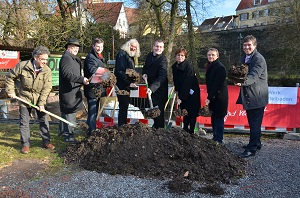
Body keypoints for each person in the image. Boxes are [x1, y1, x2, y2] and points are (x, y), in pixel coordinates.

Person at [6, 46, 54, 154]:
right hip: (24, 98)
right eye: (43, 59)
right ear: (36, 57)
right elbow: (10, 77)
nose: (45, 62)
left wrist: (41, 103)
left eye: (46, 59)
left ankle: (46, 142)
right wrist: (10, 90)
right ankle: (25, 144)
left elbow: (47, 88)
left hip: (39, 99)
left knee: (44, 121)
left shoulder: (47, 71)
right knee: (24, 122)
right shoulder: (23, 66)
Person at [236, 35, 268, 158]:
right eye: (245, 45)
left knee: (254, 123)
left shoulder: (259, 59)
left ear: (254, 45)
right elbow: (241, 72)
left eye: (249, 45)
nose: (247, 47)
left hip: (257, 96)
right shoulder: (244, 58)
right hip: (249, 95)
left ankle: (252, 148)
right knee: (253, 122)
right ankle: (257, 143)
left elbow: (253, 76)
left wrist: (241, 82)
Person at [59, 38, 89, 142]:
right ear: (68, 47)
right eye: (73, 47)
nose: (76, 49)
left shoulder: (71, 58)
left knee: (66, 112)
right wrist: (81, 79)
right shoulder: (67, 58)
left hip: (72, 90)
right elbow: (66, 74)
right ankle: (69, 136)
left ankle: (63, 132)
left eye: (77, 47)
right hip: (69, 91)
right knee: (69, 112)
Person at [172, 48, 200, 134]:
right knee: (184, 111)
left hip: (192, 92)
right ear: (175, 56)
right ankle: (185, 130)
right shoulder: (174, 67)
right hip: (182, 92)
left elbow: (187, 83)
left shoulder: (189, 67)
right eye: (178, 55)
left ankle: (191, 131)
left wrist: (182, 97)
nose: (180, 57)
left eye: (182, 55)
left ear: (185, 57)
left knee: (191, 112)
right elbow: (176, 80)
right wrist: (177, 92)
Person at [114, 38, 140, 126]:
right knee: (123, 105)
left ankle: (123, 124)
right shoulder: (122, 54)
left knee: (125, 106)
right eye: (132, 46)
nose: (133, 48)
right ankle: (122, 125)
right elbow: (120, 71)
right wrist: (129, 83)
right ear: (128, 45)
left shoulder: (130, 56)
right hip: (122, 85)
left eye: (135, 47)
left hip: (126, 85)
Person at [142, 40, 168, 129]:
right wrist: (144, 74)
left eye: (161, 47)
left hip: (160, 90)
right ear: (153, 47)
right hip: (151, 88)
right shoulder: (149, 56)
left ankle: (160, 131)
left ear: (163, 48)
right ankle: (155, 128)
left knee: (159, 113)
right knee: (152, 112)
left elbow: (162, 77)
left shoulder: (163, 60)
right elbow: (145, 67)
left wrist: (152, 88)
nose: (158, 48)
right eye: (157, 46)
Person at [205, 48, 228, 143]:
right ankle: (215, 137)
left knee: (218, 118)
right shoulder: (210, 66)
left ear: (217, 56)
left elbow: (217, 85)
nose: (211, 56)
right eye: (209, 55)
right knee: (213, 118)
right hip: (213, 97)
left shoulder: (220, 68)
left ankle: (219, 139)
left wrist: (209, 98)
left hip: (219, 98)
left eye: (213, 55)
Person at [84, 38, 105, 135]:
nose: (99, 48)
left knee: (95, 111)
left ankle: (90, 128)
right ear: (93, 46)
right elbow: (94, 71)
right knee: (92, 111)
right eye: (97, 46)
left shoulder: (99, 57)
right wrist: (107, 75)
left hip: (97, 88)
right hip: (92, 88)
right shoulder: (91, 57)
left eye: (101, 46)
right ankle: (91, 132)